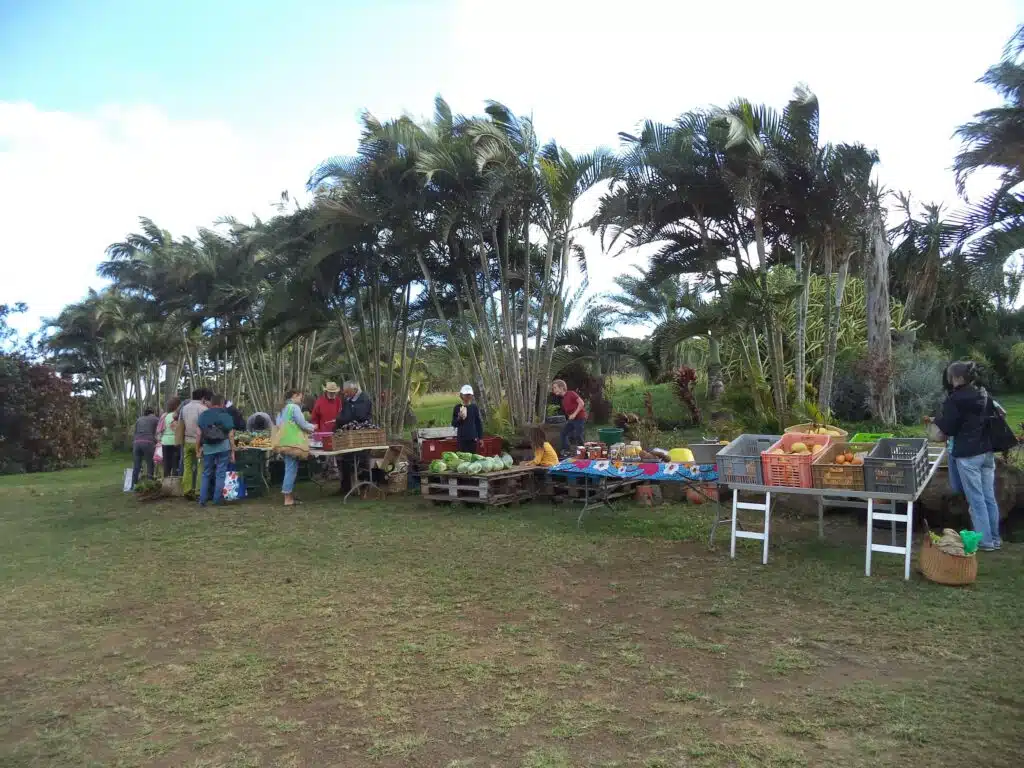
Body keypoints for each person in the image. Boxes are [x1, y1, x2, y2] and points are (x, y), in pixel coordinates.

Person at [928, 361, 1001, 551]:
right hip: (986, 453)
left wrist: (935, 423)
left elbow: (947, 429)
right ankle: (995, 539)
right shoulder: (983, 394)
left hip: (968, 455)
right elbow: (1002, 413)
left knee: (976, 500)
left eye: (951, 376)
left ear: (957, 378)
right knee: (988, 497)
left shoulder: (955, 399)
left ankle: (985, 542)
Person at [277, 388, 315, 506]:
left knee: (289, 468)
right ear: (294, 396)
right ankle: (287, 498)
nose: (301, 399)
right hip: (292, 443)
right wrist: (313, 427)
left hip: (283, 442)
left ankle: (289, 495)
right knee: (291, 469)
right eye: (300, 397)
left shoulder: (283, 408)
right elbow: (302, 423)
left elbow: (278, 424)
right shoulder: (294, 408)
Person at [196, 394, 236, 507]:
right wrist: (233, 452)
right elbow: (231, 435)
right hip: (223, 447)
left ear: (211, 403)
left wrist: (197, 449)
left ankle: (202, 500)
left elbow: (198, 434)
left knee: (206, 473)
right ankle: (217, 499)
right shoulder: (225, 415)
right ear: (222, 403)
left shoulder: (203, 415)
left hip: (208, 447)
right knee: (220, 473)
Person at [179, 388, 211, 498]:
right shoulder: (204, 409)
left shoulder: (184, 408)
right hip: (200, 442)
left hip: (187, 440)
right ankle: (198, 491)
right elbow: (206, 428)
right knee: (201, 466)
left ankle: (187, 490)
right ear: (203, 398)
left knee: (187, 466)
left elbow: (181, 424)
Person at [551, 379, 587, 455]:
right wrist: (571, 416)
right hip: (572, 420)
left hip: (580, 418)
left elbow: (581, 403)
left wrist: (574, 414)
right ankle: (566, 451)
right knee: (563, 433)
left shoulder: (571, 393)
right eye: (553, 388)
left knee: (578, 435)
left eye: (555, 387)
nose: (553, 390)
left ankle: (584, 454)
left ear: (562, 387)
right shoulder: (563, 399)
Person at [131, 407, 160, 485]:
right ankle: (150, 483)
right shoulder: (155, 418)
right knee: (150, 463)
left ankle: (134, 484)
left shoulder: (139, 419)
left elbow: (135, 432)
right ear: (152, 413)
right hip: (148, 442)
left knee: (136, 464)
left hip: (136, 442)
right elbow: (160, 430)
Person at [452, 384, 484, 454]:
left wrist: (480, 438)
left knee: (472, 457)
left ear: (472, 395)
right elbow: (454, 424)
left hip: (472, 438)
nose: (468, 396)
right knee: (462, 457)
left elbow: (478, 423)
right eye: (466, 394)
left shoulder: (474, 407)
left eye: (469, 394)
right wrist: (459, 418)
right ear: (461, 395)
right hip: (462, 439)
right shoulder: (457, 408)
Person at [157, 396, 181, 478]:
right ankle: (174, 482)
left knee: (166, 464)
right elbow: (176, 428)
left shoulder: (164, 416)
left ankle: (165, 482)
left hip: (165, 441)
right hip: (175, 441)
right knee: (175, 464)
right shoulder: (176, 416)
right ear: (177, 406)